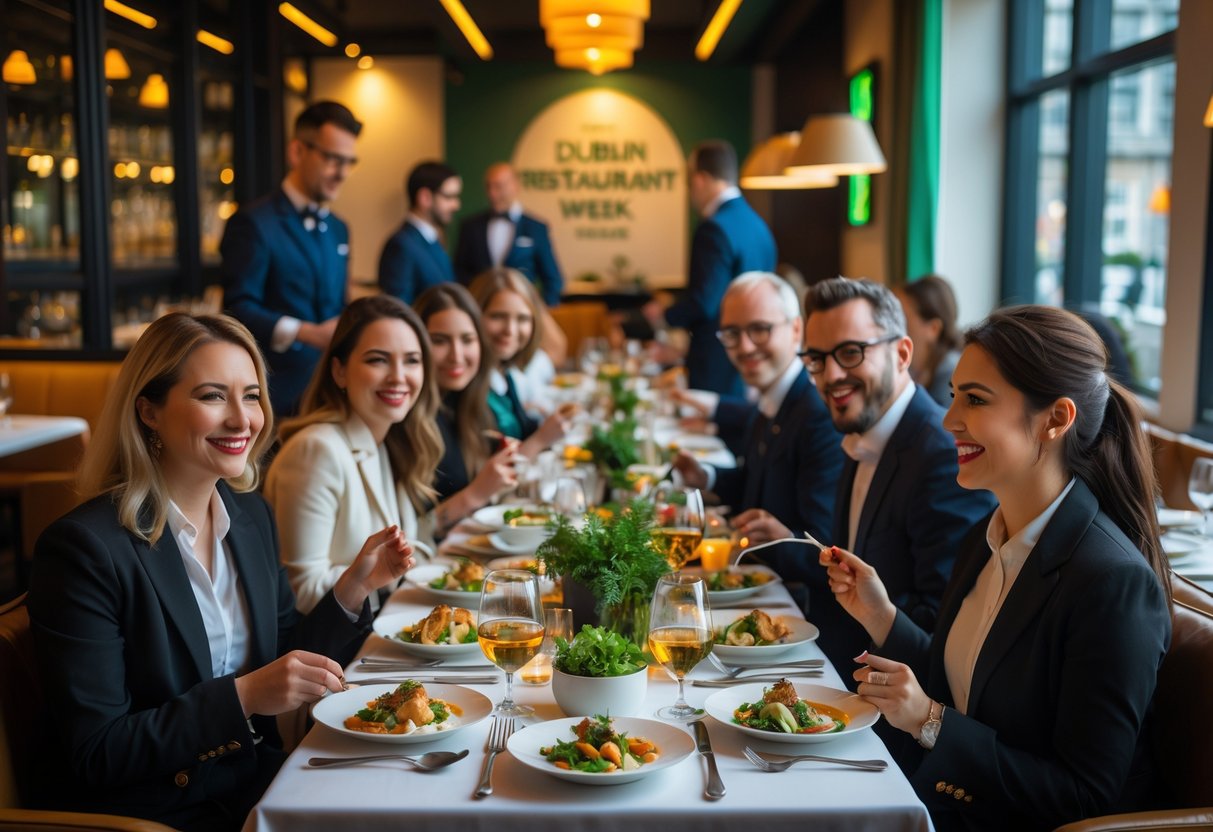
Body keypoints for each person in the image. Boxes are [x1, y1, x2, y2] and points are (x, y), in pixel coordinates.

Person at [27, 313, 414, 830]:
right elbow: (99, 750)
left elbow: (280, 660)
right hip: (166, 811)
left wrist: (354, 587)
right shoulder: (85, 550)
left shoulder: (249, 516)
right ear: (149, 411)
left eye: (251, 396)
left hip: (253, 782)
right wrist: (245, 696)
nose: (242, 420)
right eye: (213, 396)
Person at [821, 305, 1171, 832]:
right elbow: (960, 686)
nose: (948, 418)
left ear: (1056, 419)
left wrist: (930, 723)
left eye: (975, 399)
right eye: (955, 393)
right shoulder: (987, 537)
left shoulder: (1111, 583)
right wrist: (883, 616)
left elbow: (1084, 799)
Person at [796, 276, 996, 674]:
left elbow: (943, 631)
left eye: (851, 352)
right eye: (817, 359)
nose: (831, 375)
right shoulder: (864, 429)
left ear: (902, 354)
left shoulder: (943, 456)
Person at [674, 272, 844, 607]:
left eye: (760, 329)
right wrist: (707, 476)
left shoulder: (817, 413)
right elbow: (758, 483)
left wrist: (786, 540)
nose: (745, 346)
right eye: (733, 333)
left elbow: (826, 544)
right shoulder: (771, 398)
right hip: (760, 581)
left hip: (800, 603)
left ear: (796, 329)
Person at [264, 295, 443, 614]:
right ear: (340, 371)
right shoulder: (316, 449)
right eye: (378, 360)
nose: (399, 376)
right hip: (335, 655)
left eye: (412, 360)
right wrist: (375, 580)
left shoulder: (384, 439)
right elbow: (299, 590)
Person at [221, 101, 361, 416]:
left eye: (349, 162)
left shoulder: (340, 228)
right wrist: (306, 333)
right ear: (297, 152)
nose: (342, 173)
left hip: (332, 391)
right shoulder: (254, 222)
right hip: (273, 395)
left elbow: (339, 302)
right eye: (332, 159)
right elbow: (236, 309)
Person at [644, 139, 776, 398]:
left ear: (700, 180)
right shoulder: (759, 226)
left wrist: (663, 316)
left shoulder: (713, 228)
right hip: (755, 355)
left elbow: (705, 302)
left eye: (689, 182)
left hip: (717, 360)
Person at [414, 283, 522, 531]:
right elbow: (412, 534)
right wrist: (477, 493)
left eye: (467, 340)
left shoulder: (470, 406)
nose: (456, 355)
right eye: (440, 340)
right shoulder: (408, 422)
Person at [468, 268, 576, 460]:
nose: (510, 329)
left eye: (522, 319)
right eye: (498, 316)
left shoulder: (505, 373)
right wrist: (542, 439)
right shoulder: (468, 385)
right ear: (474, 315)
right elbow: (485, 475)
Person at [455, 162, 564, 307]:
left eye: (499, 186)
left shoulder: (536, 228)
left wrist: (541, 313)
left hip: (523, 312)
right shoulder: (470, 227)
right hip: (479, 312)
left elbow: (553, 279)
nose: (492, 193)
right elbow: (459, 274)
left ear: (515, 186)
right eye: (489, 187)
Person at [378, 161, 461, 304]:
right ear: (425, 197)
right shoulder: (401, 245)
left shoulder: (432, 240)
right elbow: (398, 310)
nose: (456, 205)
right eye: (449, 197)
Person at [895, 275, 963, 408]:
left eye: (901, 320)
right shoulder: (919, 371)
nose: (893, 329)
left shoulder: (951, 375)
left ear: (933, 328)